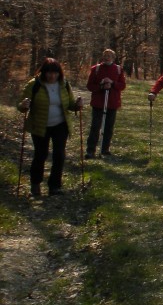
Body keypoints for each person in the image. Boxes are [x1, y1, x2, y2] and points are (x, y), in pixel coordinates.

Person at [18, 58, 84, 197]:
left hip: (60, 124)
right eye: (49, 73)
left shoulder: (64, 84)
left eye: (55, 73)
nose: (52, 76)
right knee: (40, 154)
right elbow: (22, 105)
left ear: (59, 73)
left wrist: (77, 105)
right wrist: (24, 106)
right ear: (43, 73)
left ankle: (54, 186)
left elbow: (70, 104)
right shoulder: (34, 84)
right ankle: (35, 184)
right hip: (40, 125)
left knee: (59, 155)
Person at [85, 48, 126, 158]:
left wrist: (113, 83)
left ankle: (105, 149)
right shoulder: (96, 69)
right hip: (98, 103)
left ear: (113, 57)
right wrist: (101, 86)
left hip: (112, 103)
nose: (107, 57)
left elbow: (122, 85)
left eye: (109, 55)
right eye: (105, 55)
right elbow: (90, 86)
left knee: (109, 127)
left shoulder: (118, 69)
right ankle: (90, 150)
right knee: (95, 126)